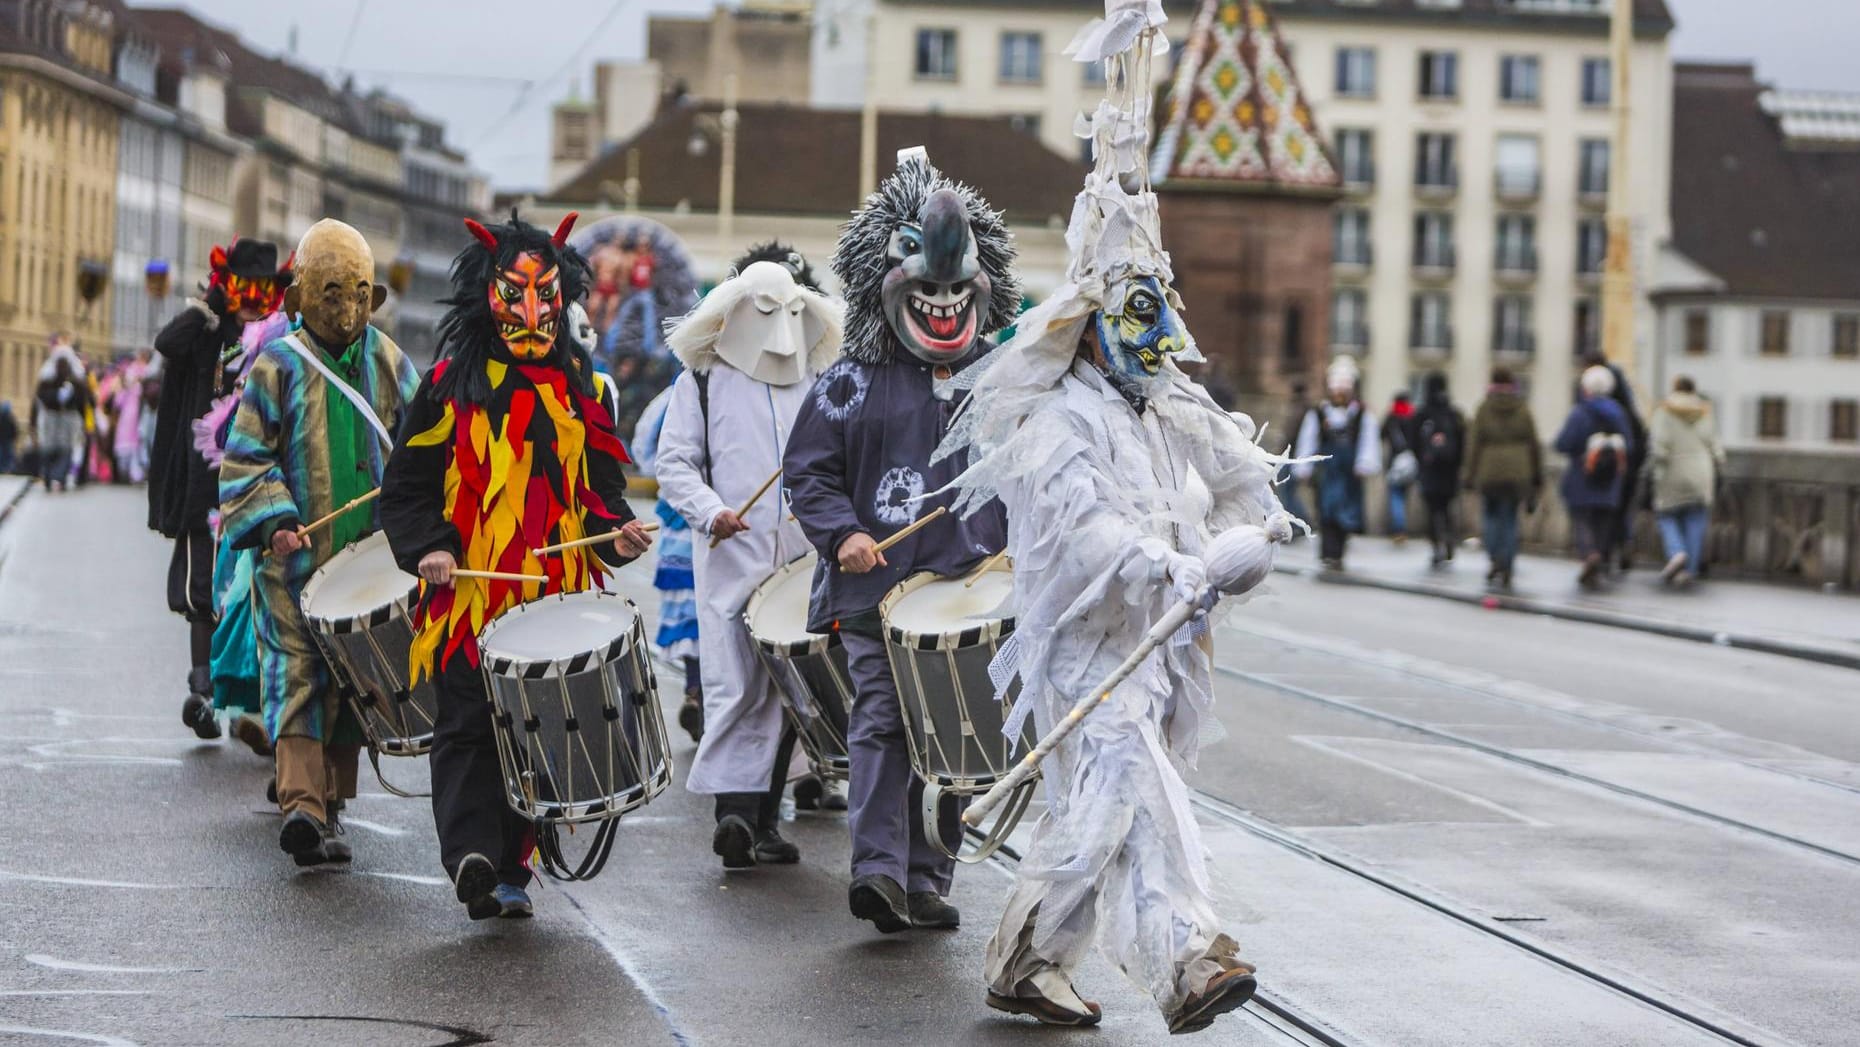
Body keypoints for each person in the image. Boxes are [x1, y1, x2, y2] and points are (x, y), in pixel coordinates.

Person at [939, 11, 1284, 1031]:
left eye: (1162, 310)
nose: (1162, 336)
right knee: (1136, 790)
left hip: (1162, 650)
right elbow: (1085, 539)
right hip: (1083, 649)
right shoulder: (1057, 424)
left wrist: (1261, 520)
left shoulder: (1166, 401)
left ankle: (1024, 960)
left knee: (1096, 816)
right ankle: (1189, 957)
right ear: (1092, 322)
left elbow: (1237, 469)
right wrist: (1168, 570)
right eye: (1139, 313)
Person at [380, 211, 652, 921]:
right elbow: (404, 488)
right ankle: (470, 855)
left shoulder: (582, 392)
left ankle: (510, 867)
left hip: (549, 595)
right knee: (468, 724)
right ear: (486, 297)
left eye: (545, 297)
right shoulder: (446, 386)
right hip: (469, 592)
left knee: (533, 729)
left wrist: (614, 536)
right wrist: (431, 547)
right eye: (515, 295)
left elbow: (601, 493)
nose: (532, 312)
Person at [785, 149, 1014, 934]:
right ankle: (878, 870)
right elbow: (807, 472)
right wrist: (842, 532)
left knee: (955, 731)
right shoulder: (848, 379)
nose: (944, 304)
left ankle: (926, 877)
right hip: (874, 590)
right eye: (929, 291)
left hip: (967, 591)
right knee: (882, 717)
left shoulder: (1004, 379)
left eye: (957, 291)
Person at [220, 220, 420, 868]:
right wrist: (276, 519)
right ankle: (302, 804)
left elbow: (422, 446)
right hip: (291, 564)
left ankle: (330, 806)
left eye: (359, 293)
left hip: (365, 566)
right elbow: (246, 457)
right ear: (300, 297)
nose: (347, 309)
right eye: (332, 292)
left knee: (354, 684)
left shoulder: (390, 362)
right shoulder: (276, 365)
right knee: (296, 675)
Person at [658, 249, 844, 870]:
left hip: (800, 562)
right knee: (737, 685)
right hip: (732, 561)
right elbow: (675, 464)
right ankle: (736, 814)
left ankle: (762, 818)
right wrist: (713, 512)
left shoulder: (815, 384)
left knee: (792, 685)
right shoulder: (702, 381)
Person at [150, 238, 293, 741]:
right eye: (242, 288)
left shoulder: (281, 340)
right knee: (203, 591)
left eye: (263, 290)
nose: (253, 299)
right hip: (203, 484)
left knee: (251, 594)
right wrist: (210, 306)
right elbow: (167, 344)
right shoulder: (208, 331)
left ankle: (246, 703)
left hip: (258, 485)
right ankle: (203, 692)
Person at [1293, 359, 1380, 569]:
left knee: (1346, 513)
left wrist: (1365, 463)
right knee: (1326, 510)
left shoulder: (1361, 414)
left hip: (1349, 472)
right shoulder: (1319, 413)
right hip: (1327, 471)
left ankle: (1338, 550)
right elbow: (1308, 438)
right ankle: (1328, 551)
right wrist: (1303, 465)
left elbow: (1369, 440)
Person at [1554, 365, 1634, 590]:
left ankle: (1589, 554)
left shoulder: (1581, 412)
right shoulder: (1618, 413)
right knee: (1602, 522)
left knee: (1582, 520)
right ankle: (1599, 556)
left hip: (1583, 476)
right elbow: (1629, 445)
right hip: (1610, 481)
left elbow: (1564, 443)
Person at [1462, 368, 1541, 590]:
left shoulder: (1484, 409)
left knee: (1490, 517)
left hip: (1489, 472)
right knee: (1510, 518)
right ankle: (1507, 561)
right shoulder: (1523, 409)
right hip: (1518, 472)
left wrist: (1469, 474)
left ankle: (1494, 556)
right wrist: (1536, 475)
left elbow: (1473, 445)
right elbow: (1534, 444)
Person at [1647, 376, 1723, 587]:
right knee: (1696, 520)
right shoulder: (1705, 411)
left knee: (1666, 514)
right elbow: (1715, 445)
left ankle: (1676, 552)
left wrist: (1656, 466)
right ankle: (1690, 569)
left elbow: (1659, 446)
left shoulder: (1664, 410)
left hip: (1673, 470)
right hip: (1701, 471)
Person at [1580, 349, 1647, 570]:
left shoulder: (1596, 401)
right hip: (1628, 458)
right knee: (1621, 506)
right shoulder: (1623, 398)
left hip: (1602, 459)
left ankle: (1602, 553)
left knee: (1599, 509)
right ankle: (1624, 544)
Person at [1411, 373, 1466, 567]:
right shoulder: (1453, 414)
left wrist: (1422, 461)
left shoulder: (1423, 414)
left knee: (1432, 510)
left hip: (1429, 470)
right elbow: (1462, 443)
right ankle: (1449, 539)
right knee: (1446, 508)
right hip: (1449, 472)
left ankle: (1436, 546)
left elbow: (1414, 442)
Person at [31, 344, 90, 493]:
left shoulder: (75, 379)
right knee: (49, 448)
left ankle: (61, 478)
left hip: (68, 417)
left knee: (66, 448)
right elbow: (40, 397)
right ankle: (49, 476)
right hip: (51, 416)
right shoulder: (47, 378)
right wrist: (55, 396)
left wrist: (82, 420)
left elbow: (82, 400)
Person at [1381, 391, 1414, 545]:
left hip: (1394, 462)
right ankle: (1402, 528)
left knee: (1395, 497)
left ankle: (1399, 529)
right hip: (1410, 463)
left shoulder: (1391, 419)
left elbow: (1381, 435)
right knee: (1402, 496)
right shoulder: (1412, 417)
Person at [0, 400, 17, 474]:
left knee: (5, 455)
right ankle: (8, 469)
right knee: (8, 455)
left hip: (5, 440)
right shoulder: (10, 417)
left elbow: (14, 429)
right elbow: (14, 429)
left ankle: (5, 469)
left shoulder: (9, 417)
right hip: (7, 440)